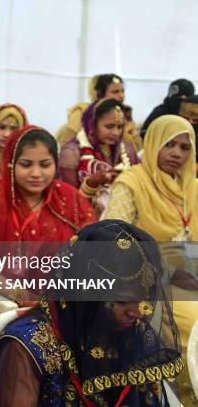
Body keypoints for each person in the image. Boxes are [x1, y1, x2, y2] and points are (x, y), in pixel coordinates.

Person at [0, 220, 184, 406]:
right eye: (122, 301)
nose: (138, 313)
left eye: (144, 300)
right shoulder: (30, 346)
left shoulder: (132, 332)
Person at [101, 115, 198, 405]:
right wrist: (166, 270)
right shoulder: (131, 184)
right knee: (193, 325)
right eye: (169, 144)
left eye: (184, 147)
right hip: (150, 281)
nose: (177, 153)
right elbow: (109, 243)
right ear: (153, 143)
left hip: (192, 279)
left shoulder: (192, 187)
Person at [0, 126, 95, 325]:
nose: (36, 173)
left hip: (62, 305)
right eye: (26, 164)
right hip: (3, 306)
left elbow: (92, 252)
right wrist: (19, 294)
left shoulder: (70, 199)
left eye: (45, 164)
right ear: (11, 164)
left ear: (56, 164)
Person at [59, 98, 140, 215]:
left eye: (120, 127)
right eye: (109, 126)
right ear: (92, 124)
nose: (116, 133)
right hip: (83, 221)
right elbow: (69, 200)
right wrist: (92, 183)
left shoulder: (126, 150)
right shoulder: (72, 152)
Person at [56, 74, 140, 151]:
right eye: (115, 92)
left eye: (122, 91)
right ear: (100, 94)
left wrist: (130, 121)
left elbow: (139, 148)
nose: (121, 96)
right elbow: (66, 145)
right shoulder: (81, 112)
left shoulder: (122, 114)